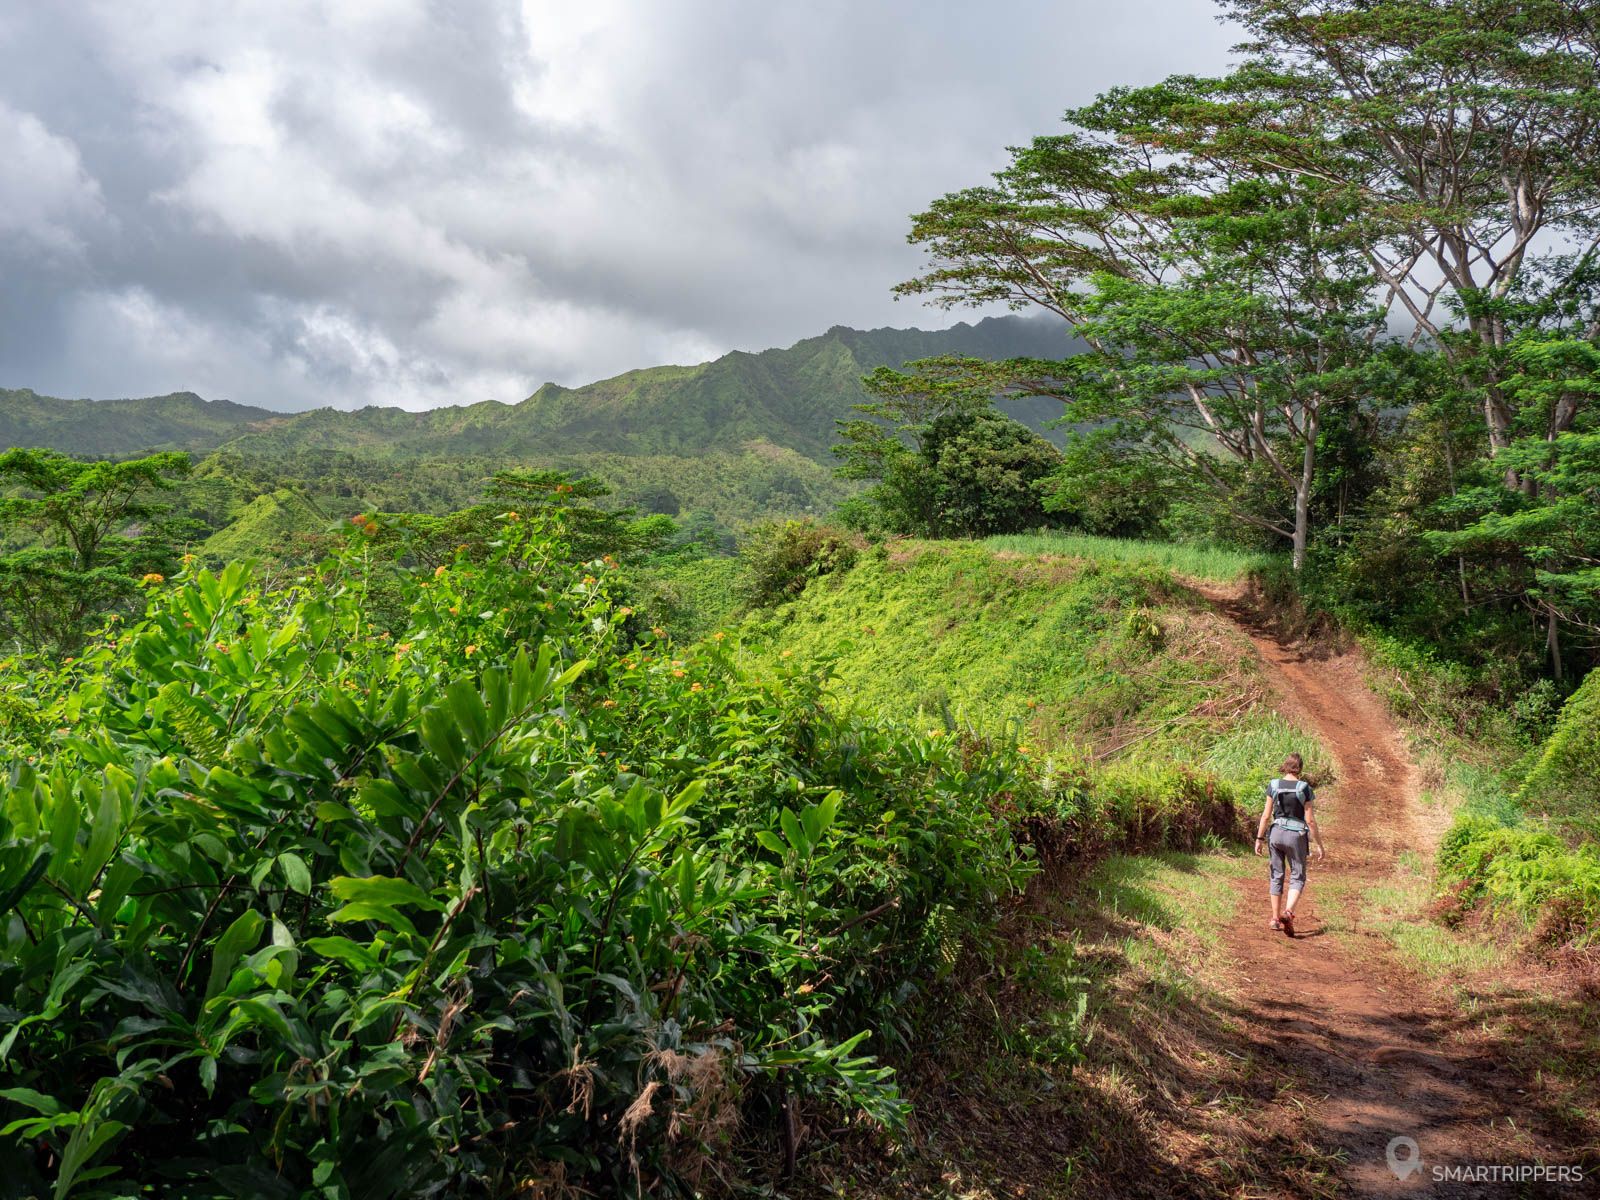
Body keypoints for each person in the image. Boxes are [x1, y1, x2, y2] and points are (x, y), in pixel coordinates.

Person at [1253, 752, 1326, 937]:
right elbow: (1310, 820)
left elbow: (1265, 815)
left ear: (1285, 766)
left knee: (1276, 874)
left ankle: (1275, 919)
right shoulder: (1304, 788)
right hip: (1296, 837)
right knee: (1297, 875)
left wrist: (1259, 838)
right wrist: (1319, 844)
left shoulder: (1274, 785)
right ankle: (1288, 912)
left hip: (1275, 834)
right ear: (1299, 768)